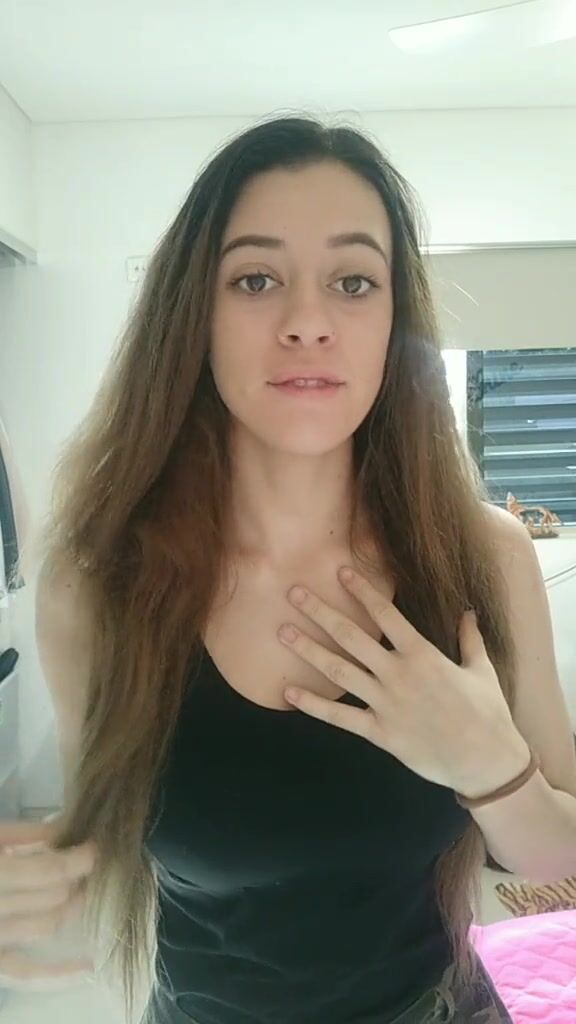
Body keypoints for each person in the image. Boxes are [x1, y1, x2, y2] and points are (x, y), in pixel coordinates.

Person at [2, 115, 530, 1023]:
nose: (308, 324)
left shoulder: (484, 557)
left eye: (353, 282)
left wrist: (496, 771)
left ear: (395, 317)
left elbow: (560, 864)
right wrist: (40, 891)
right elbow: (108, 852)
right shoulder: (97, 589)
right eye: (255, 279)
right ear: (193, 318)